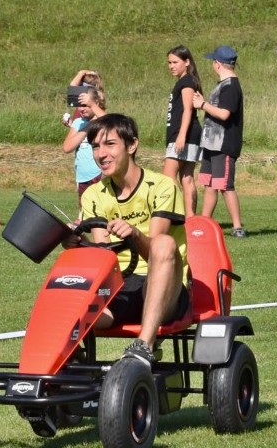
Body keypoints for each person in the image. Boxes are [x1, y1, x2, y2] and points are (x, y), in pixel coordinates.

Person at [73, 113, 190, 366]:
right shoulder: (93, 194)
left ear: (132, 145)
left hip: (165, 286)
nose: (101, 154)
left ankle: (144, 345)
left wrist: (136, 234)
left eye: (110, 144)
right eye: (95, 146)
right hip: (121, 286)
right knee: (72, 306)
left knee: (164, 243)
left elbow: (158, 253)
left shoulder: (162, 187)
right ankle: (66, 360)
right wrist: (75, 244)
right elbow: (103, 254)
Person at [192, 45, 246, 238]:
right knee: (209, 183)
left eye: (213, 61)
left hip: (223, 144)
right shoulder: (223, 85)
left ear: (218, 64)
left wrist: (203, 104)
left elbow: (224, 114)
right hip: (211, 143)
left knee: (225, 185)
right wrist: (205, 102)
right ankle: (205, 222)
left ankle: (238, 227)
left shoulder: (231, 86)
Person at [163, 45, 204, 216]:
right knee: (186, 178)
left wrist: (181, 136)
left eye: (175, 62)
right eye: (169, 63)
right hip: (189, 134)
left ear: (187, 62)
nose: (171, 66)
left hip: (184, 134)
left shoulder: (186, 81)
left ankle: (178, 214)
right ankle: (190, 218)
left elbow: (188, 109)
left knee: (168, 176)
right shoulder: (186, 81)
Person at [62, 70, 107, 212]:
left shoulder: (102, 119)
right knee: (84, 211)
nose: (81, 109)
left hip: (100, 173)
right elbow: (67, 147)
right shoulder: (79, 123)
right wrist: (87, 127)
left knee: (102, 209)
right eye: (79, 105)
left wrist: (93, 106)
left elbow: (111, 122)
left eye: (86, 105)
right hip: (82, 176)